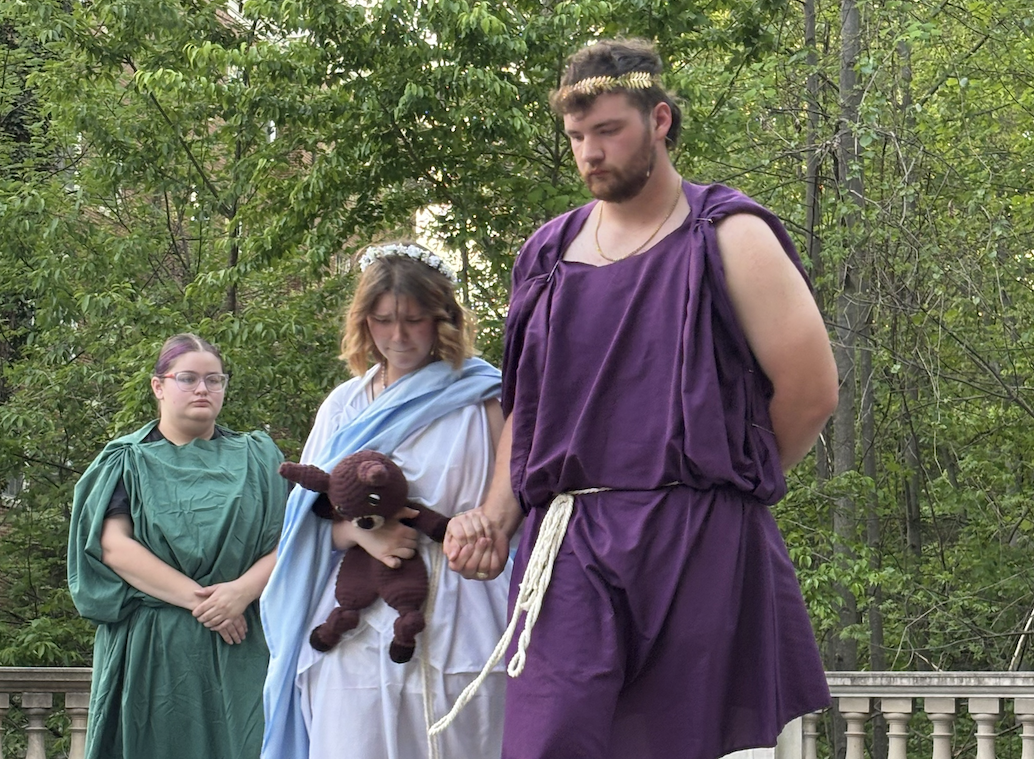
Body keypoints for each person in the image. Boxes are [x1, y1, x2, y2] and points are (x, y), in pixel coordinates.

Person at [443, 38, 839, 759]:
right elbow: (528, 413)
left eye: (608, 131)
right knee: (548, 740)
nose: (589, 153)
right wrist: (497, 518)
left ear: (659, 120)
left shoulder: (729, 235)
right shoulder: (545, 255)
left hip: (694, 539)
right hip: (568, 543)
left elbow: (811, 392)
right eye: (576, 137)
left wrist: (720, 484)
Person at [260, 241, 508, 759]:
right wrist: (359, 533)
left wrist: (478, 528)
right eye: (383, 320)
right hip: (351, 621)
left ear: (443, 318)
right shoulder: (345, 405)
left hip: (459, 611)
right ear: (363, 321)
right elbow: (306, 518)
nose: (398, 336)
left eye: (414, 320)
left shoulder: (484, 399)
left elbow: (516, 507)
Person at [67, 333, 287, 759]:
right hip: (153, 650)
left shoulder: (259, 458)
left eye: (214, 379)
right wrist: (206, 603)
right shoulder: (126, 460)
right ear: (159, 386)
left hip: (242, 646)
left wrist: (240, 592)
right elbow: (113, 547)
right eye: (188, 378)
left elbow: (294, 541)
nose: (203, 389)